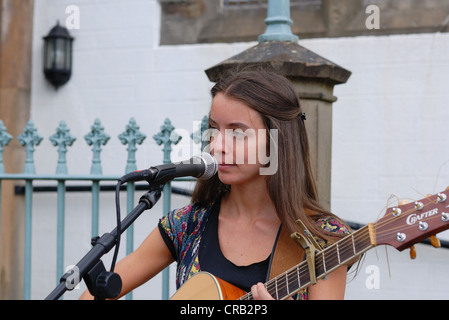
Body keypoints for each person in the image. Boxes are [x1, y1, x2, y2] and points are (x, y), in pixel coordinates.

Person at [80, 70, 353, 300]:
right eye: (214, 129)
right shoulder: (187, 226)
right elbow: (94, 295)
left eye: (237, 133)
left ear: (277, 142)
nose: (217, 146)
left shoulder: (321, 239)